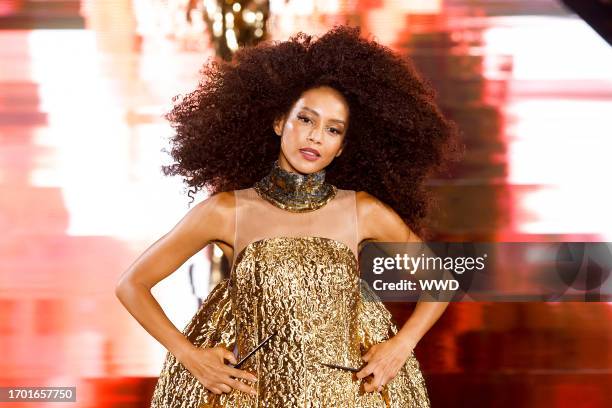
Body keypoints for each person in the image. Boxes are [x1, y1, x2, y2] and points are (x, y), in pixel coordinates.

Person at [115, 24, 461, 407]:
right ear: (279, 122)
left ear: (342, 148)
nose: (315, 137)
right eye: (305, 119)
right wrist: (191, 357)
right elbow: (131, 285)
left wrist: (400, 345)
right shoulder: (227, 211)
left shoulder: (361, 211)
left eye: (332, 130)